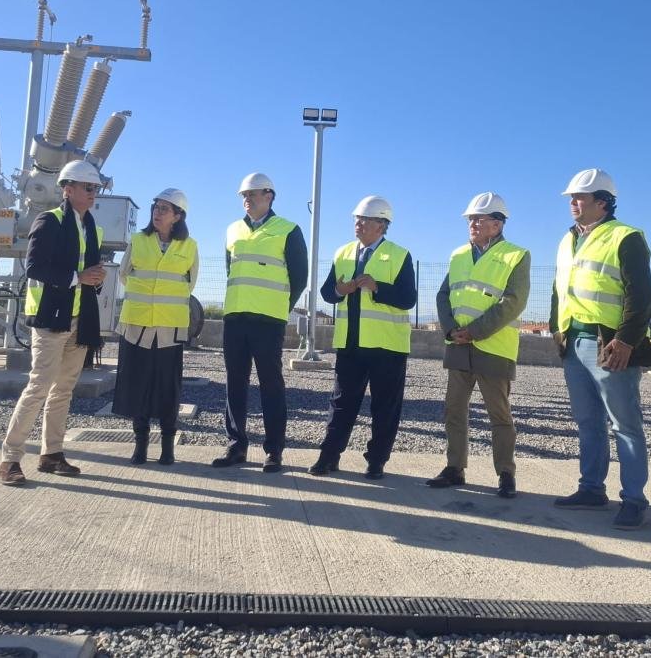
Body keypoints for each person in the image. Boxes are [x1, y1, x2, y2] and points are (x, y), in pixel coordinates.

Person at [549, 168, 651, 530]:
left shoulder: (626, 237)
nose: (573, 203)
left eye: (581, 197)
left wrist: (626, 340)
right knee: (587, 422)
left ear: (604, 202)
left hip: (609, 344)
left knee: (625, 424)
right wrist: (556, 332)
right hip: (574, 342)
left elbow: (641, 296)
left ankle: (634, 499)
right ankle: (592, 488)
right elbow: (558, 291)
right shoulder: (567, 240)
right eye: (571, 198)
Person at [0, 159, 106, 486]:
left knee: (64, 389)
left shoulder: (91, 227)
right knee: (40, 386)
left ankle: (52, 454)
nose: (93, 193)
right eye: (88, 187)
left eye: (95, 188)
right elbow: (35, 268)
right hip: (50, 319)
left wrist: (95, 280)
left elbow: (90, 272)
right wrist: (78, 277)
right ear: (67, 189)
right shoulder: (49, 221)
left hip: (78, 318)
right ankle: (10, 458)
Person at [426, 192, 530, 497]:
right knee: (454, 411)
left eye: (478, 218)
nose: (472, 223)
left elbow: (514, 301)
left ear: (496, 224)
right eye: (470, 218)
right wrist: (451, 329)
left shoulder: (516, 255)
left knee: (499, 415)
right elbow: (443, 295)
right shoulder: (459, 255)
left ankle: (506, 473)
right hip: (458, 345)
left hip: (493, 347)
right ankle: (454, 468)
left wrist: (475, 331)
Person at [308, 197, 417, 480]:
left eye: (364, 220)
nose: (358, 224)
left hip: (387, 347)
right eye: (356, 219)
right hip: (351, 345)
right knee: (341, 403)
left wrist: (378, 287)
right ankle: (328, 456)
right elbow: (327, 293)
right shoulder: (343, 252)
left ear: (381, 225)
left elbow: (408, 299)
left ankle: (376, 461)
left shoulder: (399, 255)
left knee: (384, 408)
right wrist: (339, 290)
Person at [213, 172, 308, 472]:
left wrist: (280, 306)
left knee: (271, 385)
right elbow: (232, 271)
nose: (247, 199)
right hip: (236, 318)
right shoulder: (232, 231)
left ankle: (274, 451)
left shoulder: (288, 230)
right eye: (244, 195)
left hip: (268, 321)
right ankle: (236, 446)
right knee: (235, 384)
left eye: (252, 194)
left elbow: (299, 278)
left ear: (269, 196)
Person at [113, 188, 199, 466]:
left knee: (167, 389)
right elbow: (124, 274)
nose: (157, 212)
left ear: (178, 216)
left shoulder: (190, 247)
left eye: (165, 208)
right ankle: (139, 446)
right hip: (137, 325)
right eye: (156, 207)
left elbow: (190, 283)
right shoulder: (138, 240)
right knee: (138, 387)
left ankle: (167, 448)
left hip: (168, 330)